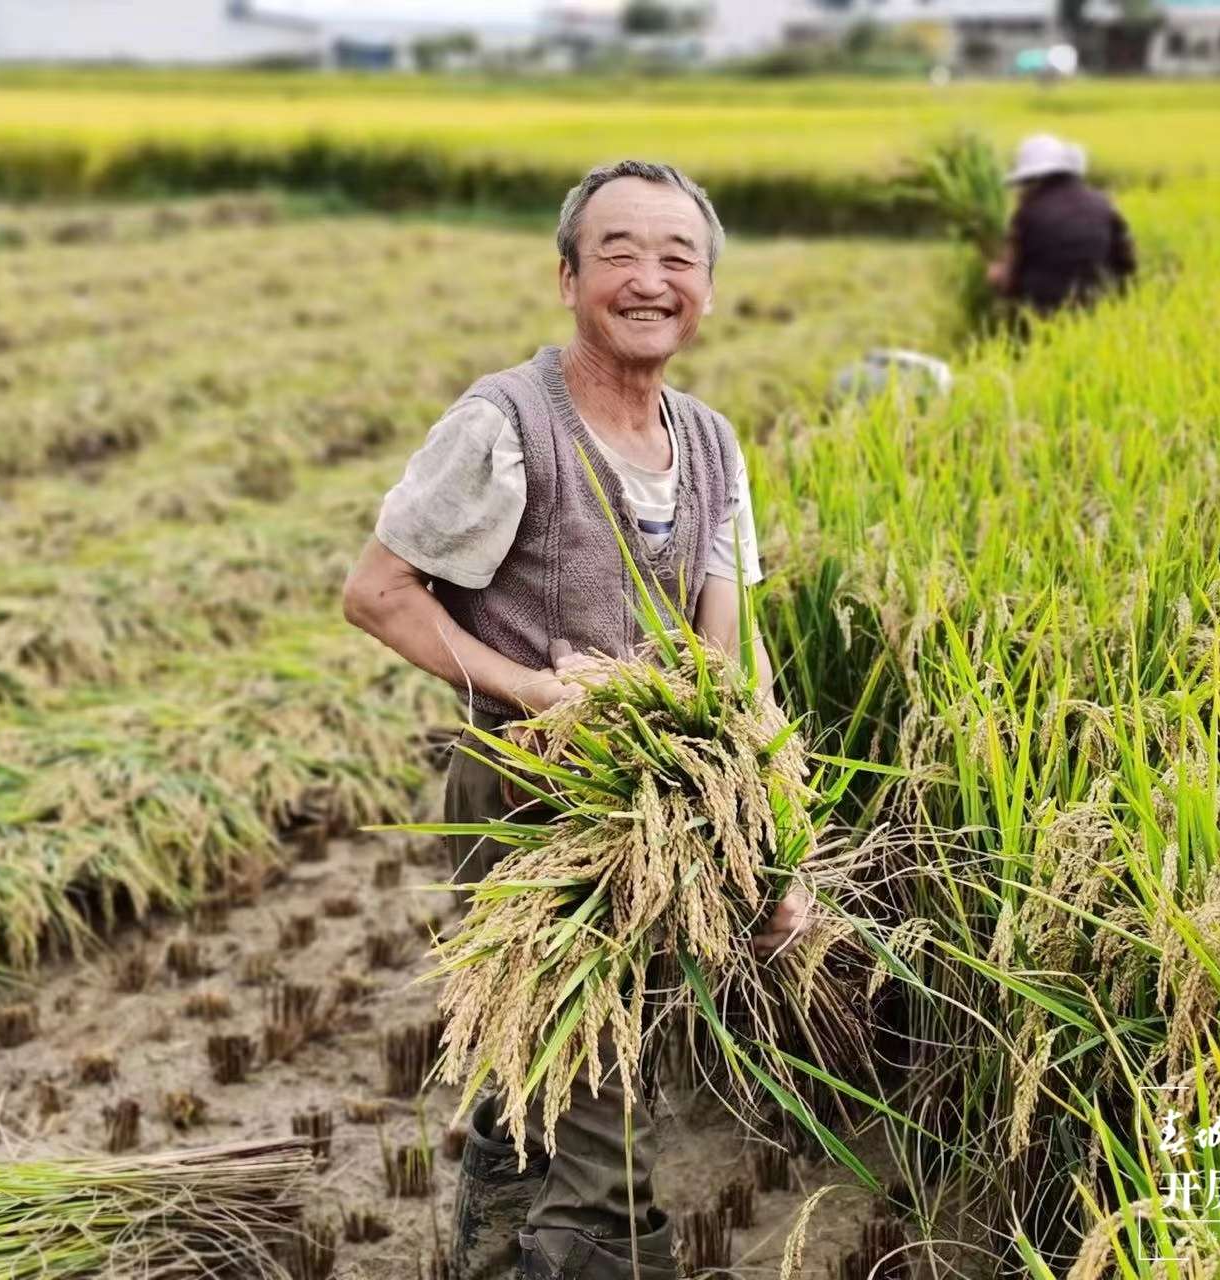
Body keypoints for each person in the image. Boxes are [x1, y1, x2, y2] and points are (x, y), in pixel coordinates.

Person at [342, 159, 816, 1280]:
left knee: (576, 1061)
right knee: (598, 1111)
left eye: (678, 258)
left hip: (652, 809)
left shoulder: (709, 441)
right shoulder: (502, 423)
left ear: (705, 287)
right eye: (618, 253)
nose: (650, 279)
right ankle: (593, 1246)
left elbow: (726, 667)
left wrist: (771, 842)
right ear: (566, 277)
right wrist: (531, 689)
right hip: (523, 799)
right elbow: (377, 593)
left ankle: (501, 1212)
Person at [986, 134, 1137, 315]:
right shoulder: (1104, 203)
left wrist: (995, 274)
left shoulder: (1026, 214)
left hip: (1045, 315)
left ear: (1033, 179)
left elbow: (1009, 283)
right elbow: (1128, 266)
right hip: (1098, 310)